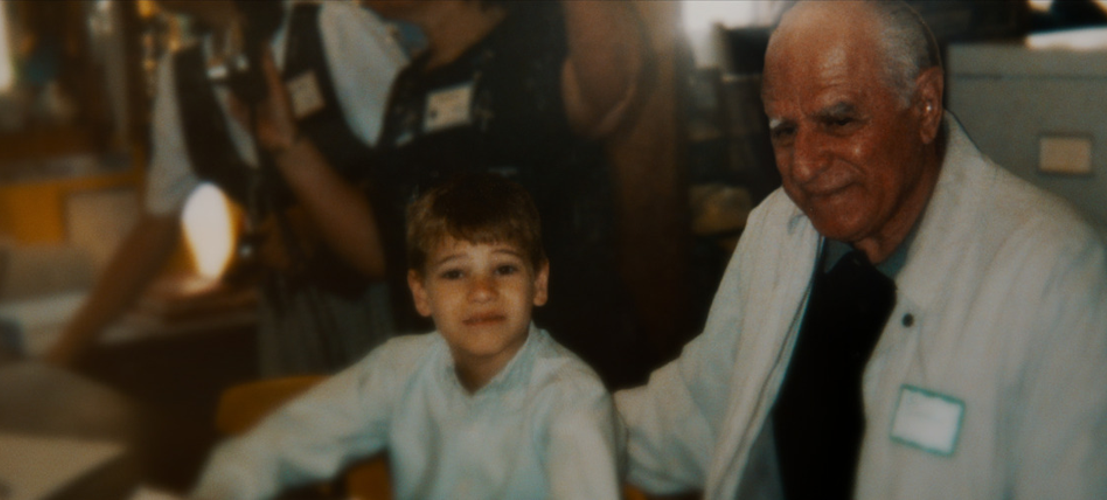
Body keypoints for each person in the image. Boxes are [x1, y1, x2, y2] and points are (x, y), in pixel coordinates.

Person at [614, 1, 1107, 499]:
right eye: (784, 130)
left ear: (925, 106)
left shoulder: (1070, 286)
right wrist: (562, 417)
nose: (804, 165)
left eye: (838, 120)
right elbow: (702, 413)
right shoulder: (778, 230)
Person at [250, 0, 655, 388]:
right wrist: (288, 147)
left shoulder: (539, 45)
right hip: (455, 398)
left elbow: (611, 85)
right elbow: (385, 252)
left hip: (563, 386)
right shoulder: (410, 87)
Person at [189, 173, 622, 500]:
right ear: (421, 293)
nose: (482, 291)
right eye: (455, 273)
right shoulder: (400, 369)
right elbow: (274, 445)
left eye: (504, 268)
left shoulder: (570, 400)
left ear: (539, 283)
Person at [45, 0, 408, 375]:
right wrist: (63, 352)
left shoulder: (332, 27)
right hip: (290, 318)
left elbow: (424, 171)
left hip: (389, 306)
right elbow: (155, 227)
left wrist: (312, 224)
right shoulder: (182, 77)